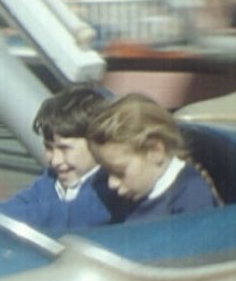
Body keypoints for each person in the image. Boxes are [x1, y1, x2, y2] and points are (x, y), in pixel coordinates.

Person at [0, 85, 122, 229]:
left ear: (97, 143)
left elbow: (64, 214)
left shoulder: (111, 184)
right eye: (49, 148)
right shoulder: (51, 181)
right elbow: (18, 205)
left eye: (65, 149)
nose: (55, 160)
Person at [86, 93, 221, 223]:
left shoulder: (191, 197)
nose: (111, 183)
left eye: (119, 172)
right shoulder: (134, 190)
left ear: (155, 150)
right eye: (107, 171)